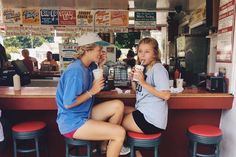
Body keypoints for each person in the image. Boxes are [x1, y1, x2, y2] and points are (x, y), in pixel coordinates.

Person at [56, 32, 126, 157]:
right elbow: (68, 103)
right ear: (86, 50)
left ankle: (104, 145)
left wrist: (100, 64)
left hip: (84, 113)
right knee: (119, 133)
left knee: (118, 105)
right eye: (99, 50)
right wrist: (91, 92)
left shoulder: (88, 66)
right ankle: (111, 143)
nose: (101, 53)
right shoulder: (75, 71)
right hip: (72, 122)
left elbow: (97, 76)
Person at [122, 37, 171, 157]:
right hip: (144, 112)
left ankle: (126, 149)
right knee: (117, 110)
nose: (142, 55)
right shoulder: (144, 69)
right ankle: (132, 151)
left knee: (116, 124)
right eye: (140, 51)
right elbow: (137, 90)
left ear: (155, 53)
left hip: (152, 120)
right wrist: (133, 79)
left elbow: (166, 95)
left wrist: (143, 82)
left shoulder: (158, 69)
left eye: (147, 52)